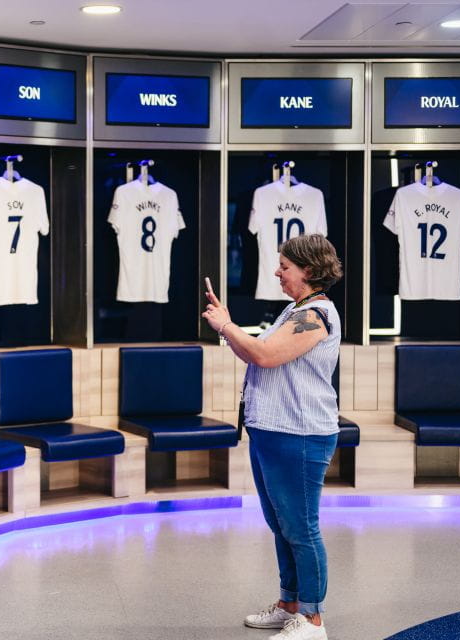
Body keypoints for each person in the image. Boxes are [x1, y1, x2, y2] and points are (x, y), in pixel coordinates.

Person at [202, 234, 343, 640]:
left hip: (299, 433)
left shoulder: (315, 316)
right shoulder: (293, 310)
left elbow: (263, 355)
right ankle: (290, 604)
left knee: (301, 527)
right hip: (271, 429)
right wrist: (228, 325)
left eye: (285, 266)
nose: (277, 273)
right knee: (280, 524)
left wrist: (226, 326)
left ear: (310, 271)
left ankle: (313, 619)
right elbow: (255, 352)